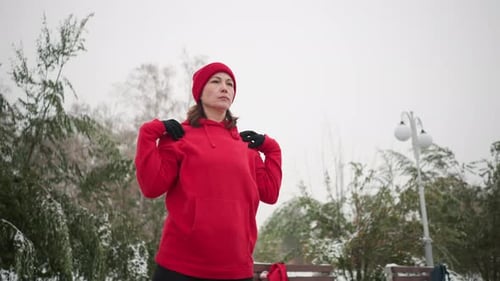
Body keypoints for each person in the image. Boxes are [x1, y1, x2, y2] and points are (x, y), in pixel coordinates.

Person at [134, 62, 283, 281]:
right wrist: (149, 133)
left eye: (230, 84)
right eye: (216, 81)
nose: (225, 88)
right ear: (200, 92)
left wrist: (272, 148)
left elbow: (270, 193)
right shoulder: (179, 137)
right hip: (180, 267)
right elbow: (151, 187)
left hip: (235, 270)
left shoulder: (246, 147)